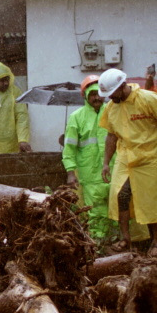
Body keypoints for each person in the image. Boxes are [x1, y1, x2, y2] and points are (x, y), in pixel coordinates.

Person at [99, 67, 157, 252]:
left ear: (123, 85)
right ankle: (126, 239)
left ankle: (155, 241)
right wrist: (106, 163)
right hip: (125, 156)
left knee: (150, 201)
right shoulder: (111, 107)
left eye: (111, 93)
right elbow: (111, 136)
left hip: (150, 156)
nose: (109, 97)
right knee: (120, 196)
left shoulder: (148, 99)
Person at [62, 76, 112, 241]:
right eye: (92, 94)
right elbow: (69, 148)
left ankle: (115, 240)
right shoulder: (77, 117)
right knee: (95, 210)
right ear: (85, 96)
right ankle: (99, 243)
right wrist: (70, 172)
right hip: (89, 173)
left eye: (99, 93)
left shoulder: (112, 111)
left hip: (112, 170)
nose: (97, 97)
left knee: (116, 207)